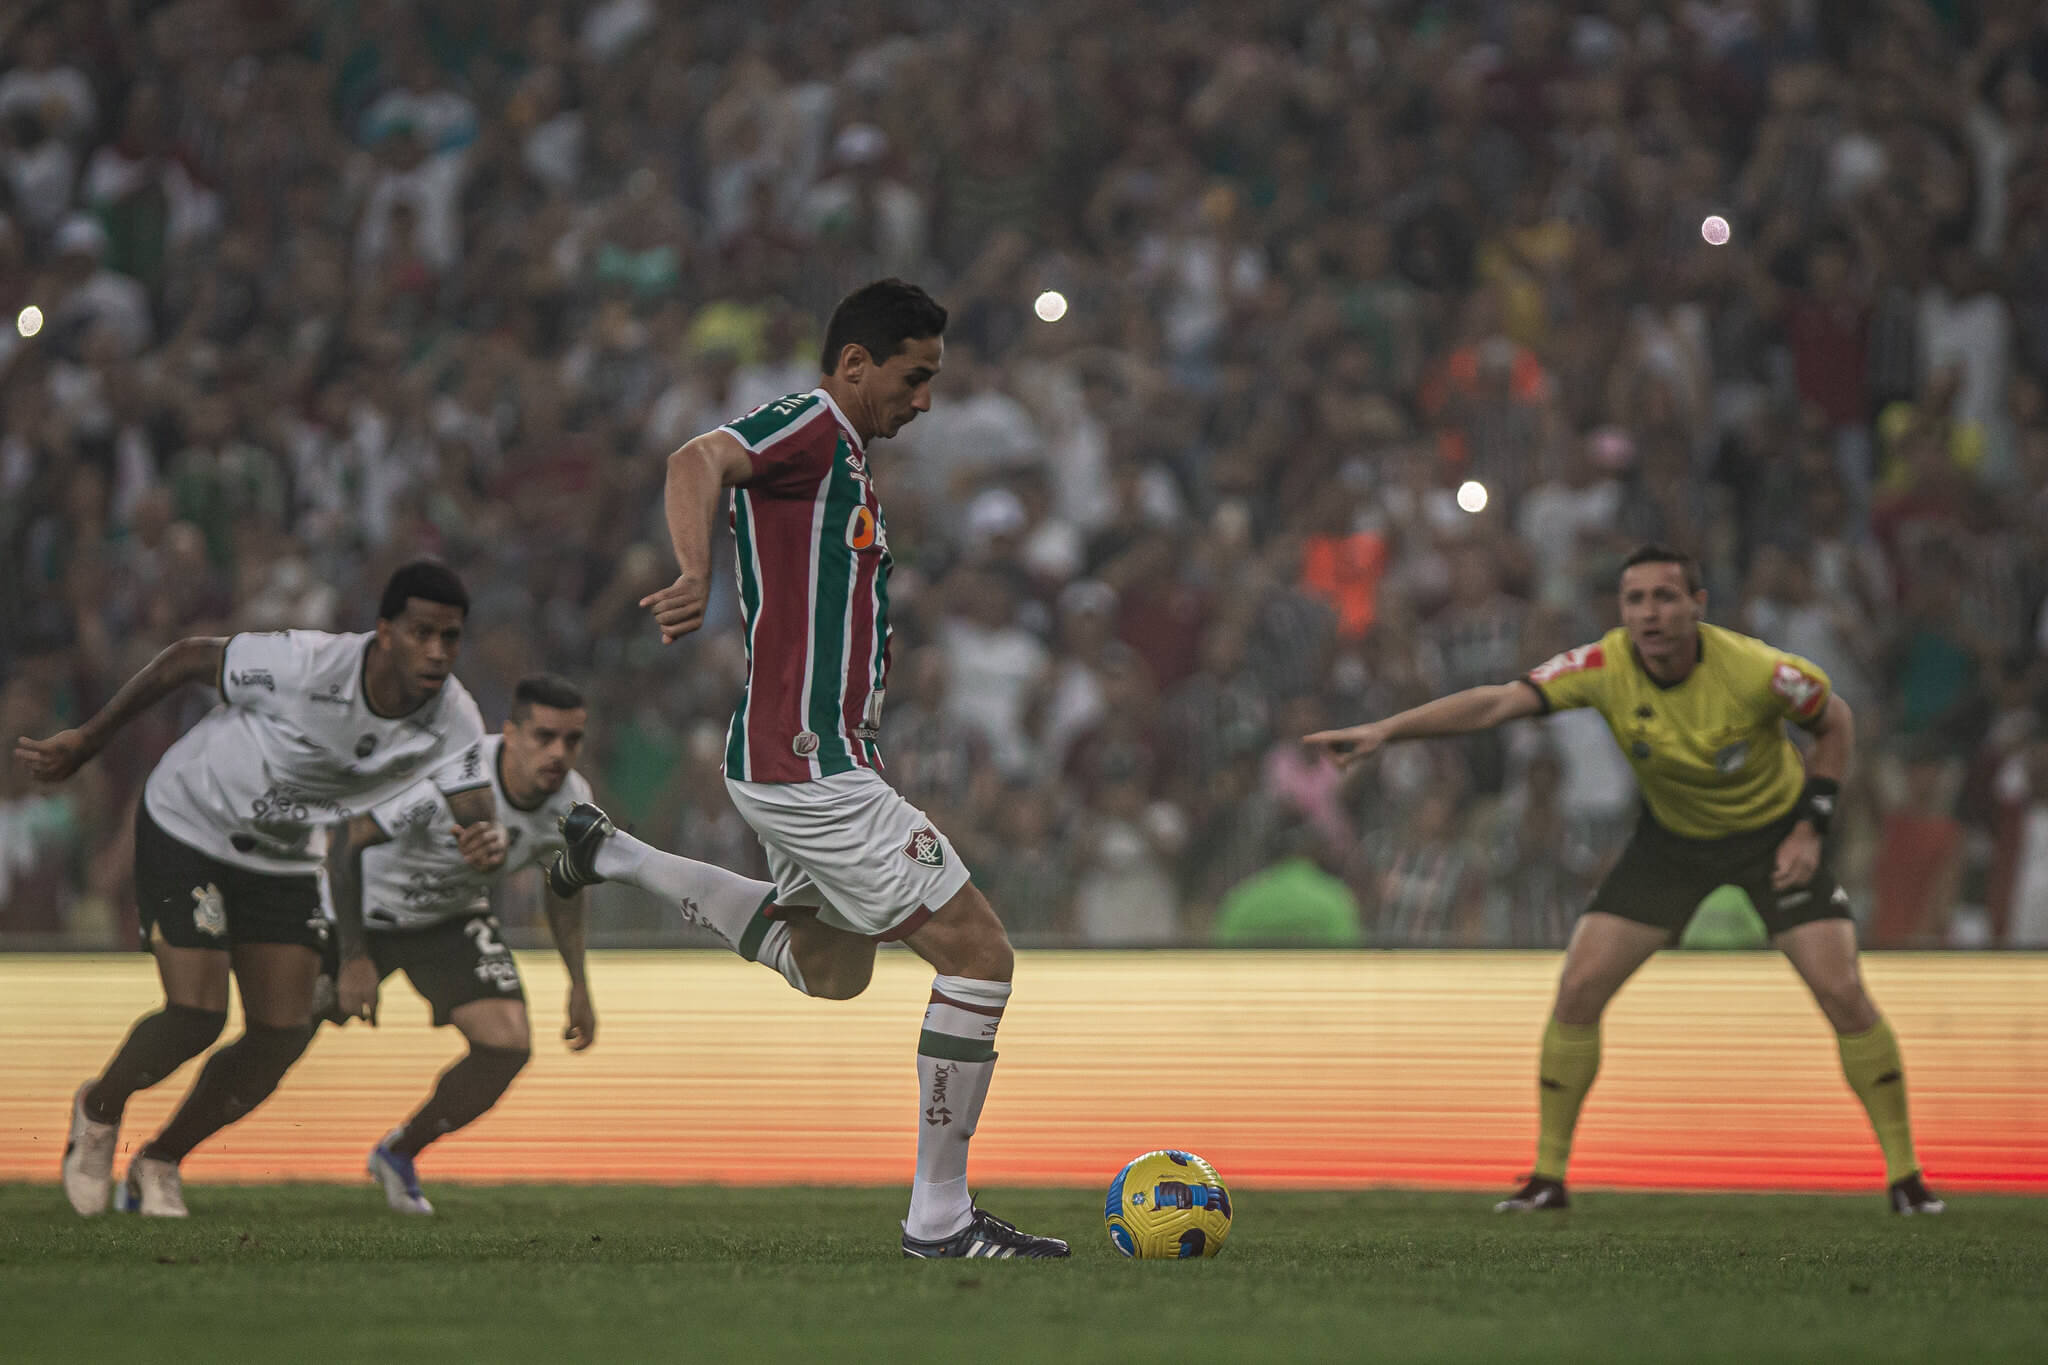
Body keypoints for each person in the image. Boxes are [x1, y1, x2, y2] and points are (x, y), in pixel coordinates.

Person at [551, 278, 1069, 1258]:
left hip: (801, 760)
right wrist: (696, 574)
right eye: (913, 379)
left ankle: (607, 852)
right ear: (854, 363)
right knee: (979, 956)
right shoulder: (812, 426)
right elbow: (697, 457)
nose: (923, 401)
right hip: (809, 765)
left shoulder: (848, 464)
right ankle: (940, 1219)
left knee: (831, 972)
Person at [1306, 544, 1944, 1216]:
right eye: (1635, 599)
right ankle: (1547, 1179)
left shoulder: (1758, 670)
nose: (1649, 612)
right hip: (1673, 841)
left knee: (1841, 988)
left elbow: (1835, 720)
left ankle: (1907, 1177)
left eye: (1666, 597)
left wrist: (1811, 827)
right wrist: (1386, 731)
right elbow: (1498, 703)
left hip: (1772, 838)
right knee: (1580, 985)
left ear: (1698, 606)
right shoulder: (1604, 664)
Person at [18, 562, 498, 1218]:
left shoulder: (455, 717)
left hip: (286, 855)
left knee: (282, 1030)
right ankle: (98, 1109)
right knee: (198, 1012)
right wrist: (89, 741)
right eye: (423, 633)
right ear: (384, 632)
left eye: (451, 637)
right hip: (193, 821)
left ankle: (161, 1158)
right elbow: (187, 658)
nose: (439, 651)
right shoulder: (307, 665)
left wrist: (483, 836)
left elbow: (473, 801)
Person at [321, 673, 598, 1216]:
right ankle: (156, 1154)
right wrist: (354, 957)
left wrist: (579, 984)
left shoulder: (572, 802)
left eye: (572, 740)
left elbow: (562, 891)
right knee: (280, 1029)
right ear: (509, 734)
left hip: (448, 920)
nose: (560, 754)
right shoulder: (451, 777)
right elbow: (349, 841)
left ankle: (399, 1152)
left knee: (508, 1045)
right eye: (545, 737)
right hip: (365, 914)